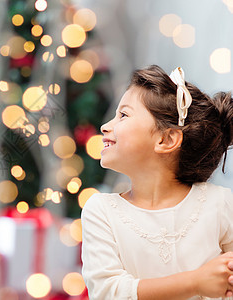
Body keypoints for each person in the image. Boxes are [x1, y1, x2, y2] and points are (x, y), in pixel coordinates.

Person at [81, 65, 233, 300]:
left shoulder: (221, 204)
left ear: (166, 139)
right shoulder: (101, 211)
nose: (105, 126)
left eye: (123, 115)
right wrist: (196, 282)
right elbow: (107, 292)